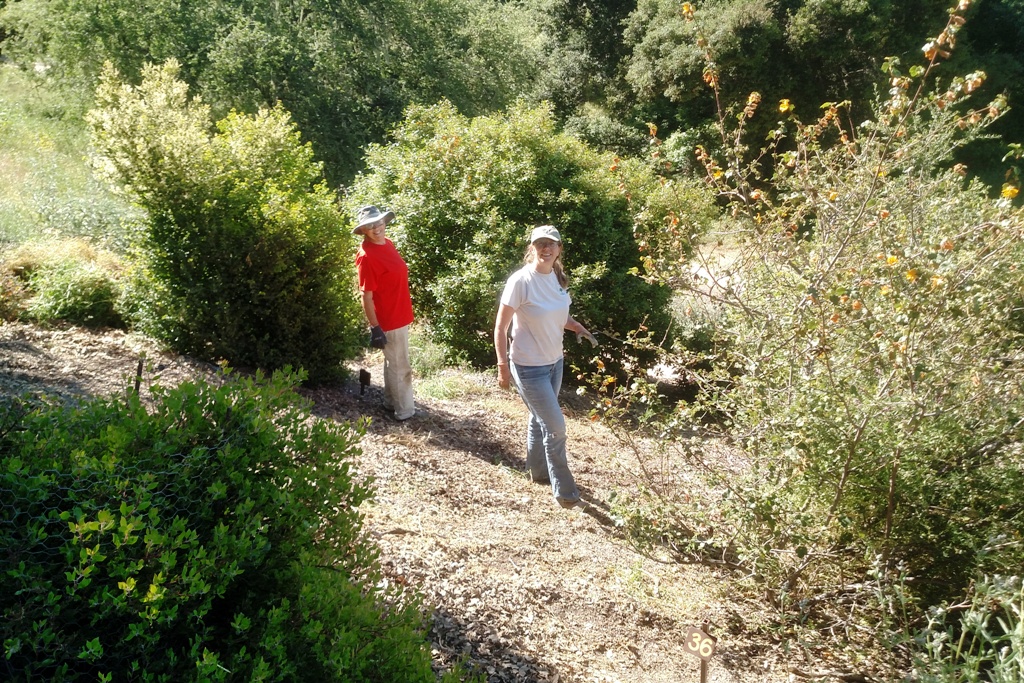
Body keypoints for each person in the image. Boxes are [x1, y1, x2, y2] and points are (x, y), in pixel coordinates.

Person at [494, 225, 598, 509]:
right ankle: (565, 490)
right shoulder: (521, 281)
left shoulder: (558, 277)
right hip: (528, 367)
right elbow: (501, 327)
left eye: (551, 244)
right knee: (557, 428)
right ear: (532, 248)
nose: (546, 248)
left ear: (559, 248)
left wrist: (576, 326)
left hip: (555, 363)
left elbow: (555, 314)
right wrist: (503, 365)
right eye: (540, 243)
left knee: (539, 420)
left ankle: (537, 472)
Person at [353, 205, 416, 421]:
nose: (376, 227)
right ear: (363, 231)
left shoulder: (387, 243)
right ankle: (405, 412)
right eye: (369, 225)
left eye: (378, 222)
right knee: (401, 366)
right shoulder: (366, 257)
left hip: (400, 313)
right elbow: (366, 296)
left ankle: (391, 403)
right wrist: (375, 327)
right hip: (389, 319)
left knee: (394, 362)